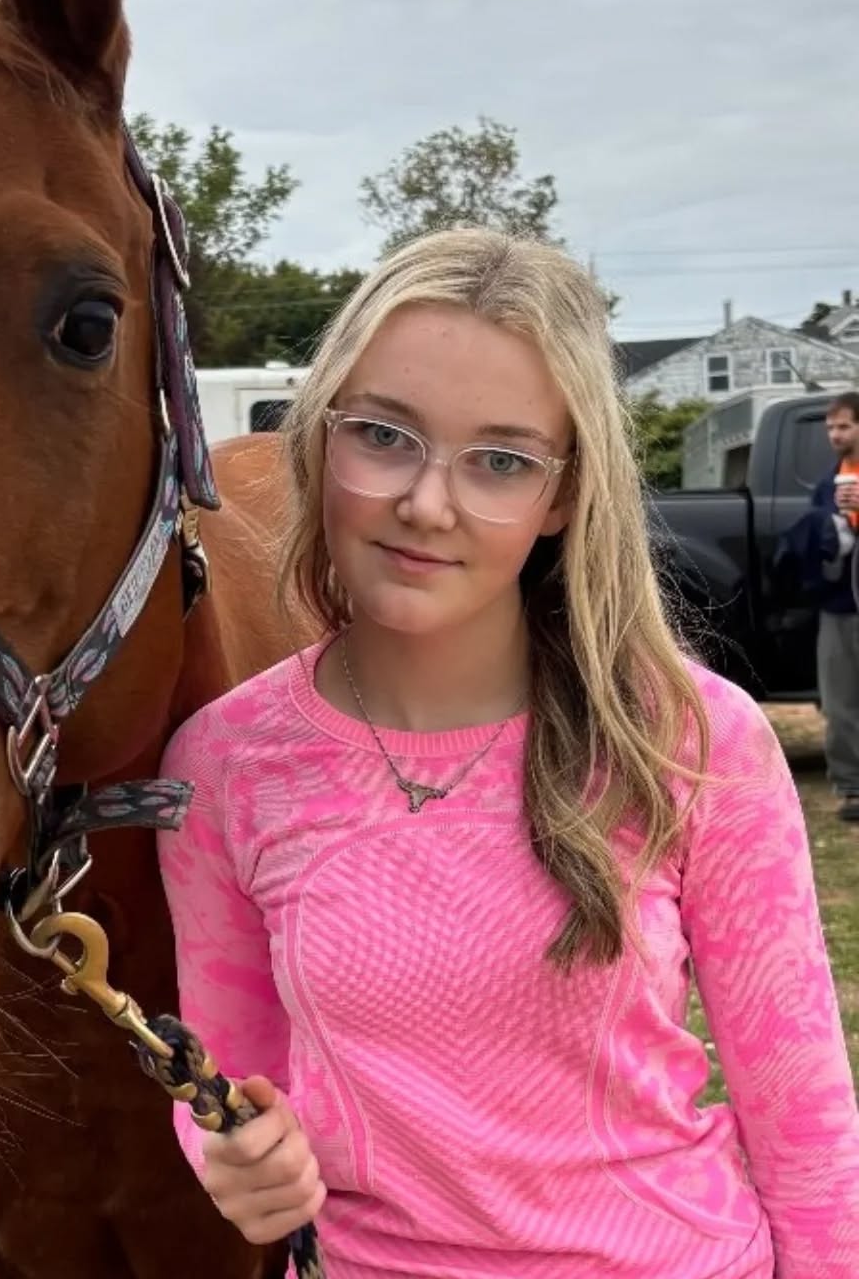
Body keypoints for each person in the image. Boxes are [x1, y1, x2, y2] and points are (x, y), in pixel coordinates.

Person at [157, 228, 859, 1279]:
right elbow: (234, 1078)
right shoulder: (224, 765)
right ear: (319, 435)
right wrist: (234, 1154)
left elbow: (804, 1120)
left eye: (501, 460)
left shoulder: (693, 741)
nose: (427, 503)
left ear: (565, 494)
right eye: (384, 436)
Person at [810, 391, 859, 822]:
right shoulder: (829, 484)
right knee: (840, 699)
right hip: (840, 606)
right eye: (831, 427)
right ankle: (852, 788)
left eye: (844, 426)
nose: (835, 435)